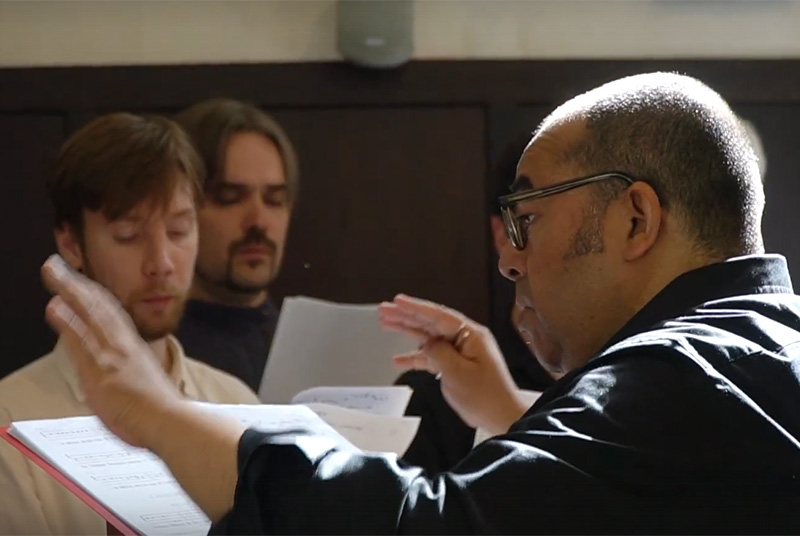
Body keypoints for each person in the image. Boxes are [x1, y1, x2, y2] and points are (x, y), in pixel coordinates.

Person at [40, 72, 800, 534]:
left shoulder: (677, 376)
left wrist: (151, 413)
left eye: (526, 218)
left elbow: (421, 527)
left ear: (636, 219)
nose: (508, 257)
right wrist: (506, 409)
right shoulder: (751, 350)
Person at [0, 113, 260, 535]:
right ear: (72, 244)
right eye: (128, 235)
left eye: (179, 230)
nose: (161, 262)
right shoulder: (11, 417)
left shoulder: (238, 404)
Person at [398, 135, 558, 473]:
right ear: (504, 235)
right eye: (537, 219)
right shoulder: (438, 393)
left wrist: (505, 414)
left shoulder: (650, 377)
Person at [173, 99, 299, 392]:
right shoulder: (149, 356)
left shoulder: (308, 348)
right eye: (229, 198)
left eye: (274, 200)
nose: (258, 221)